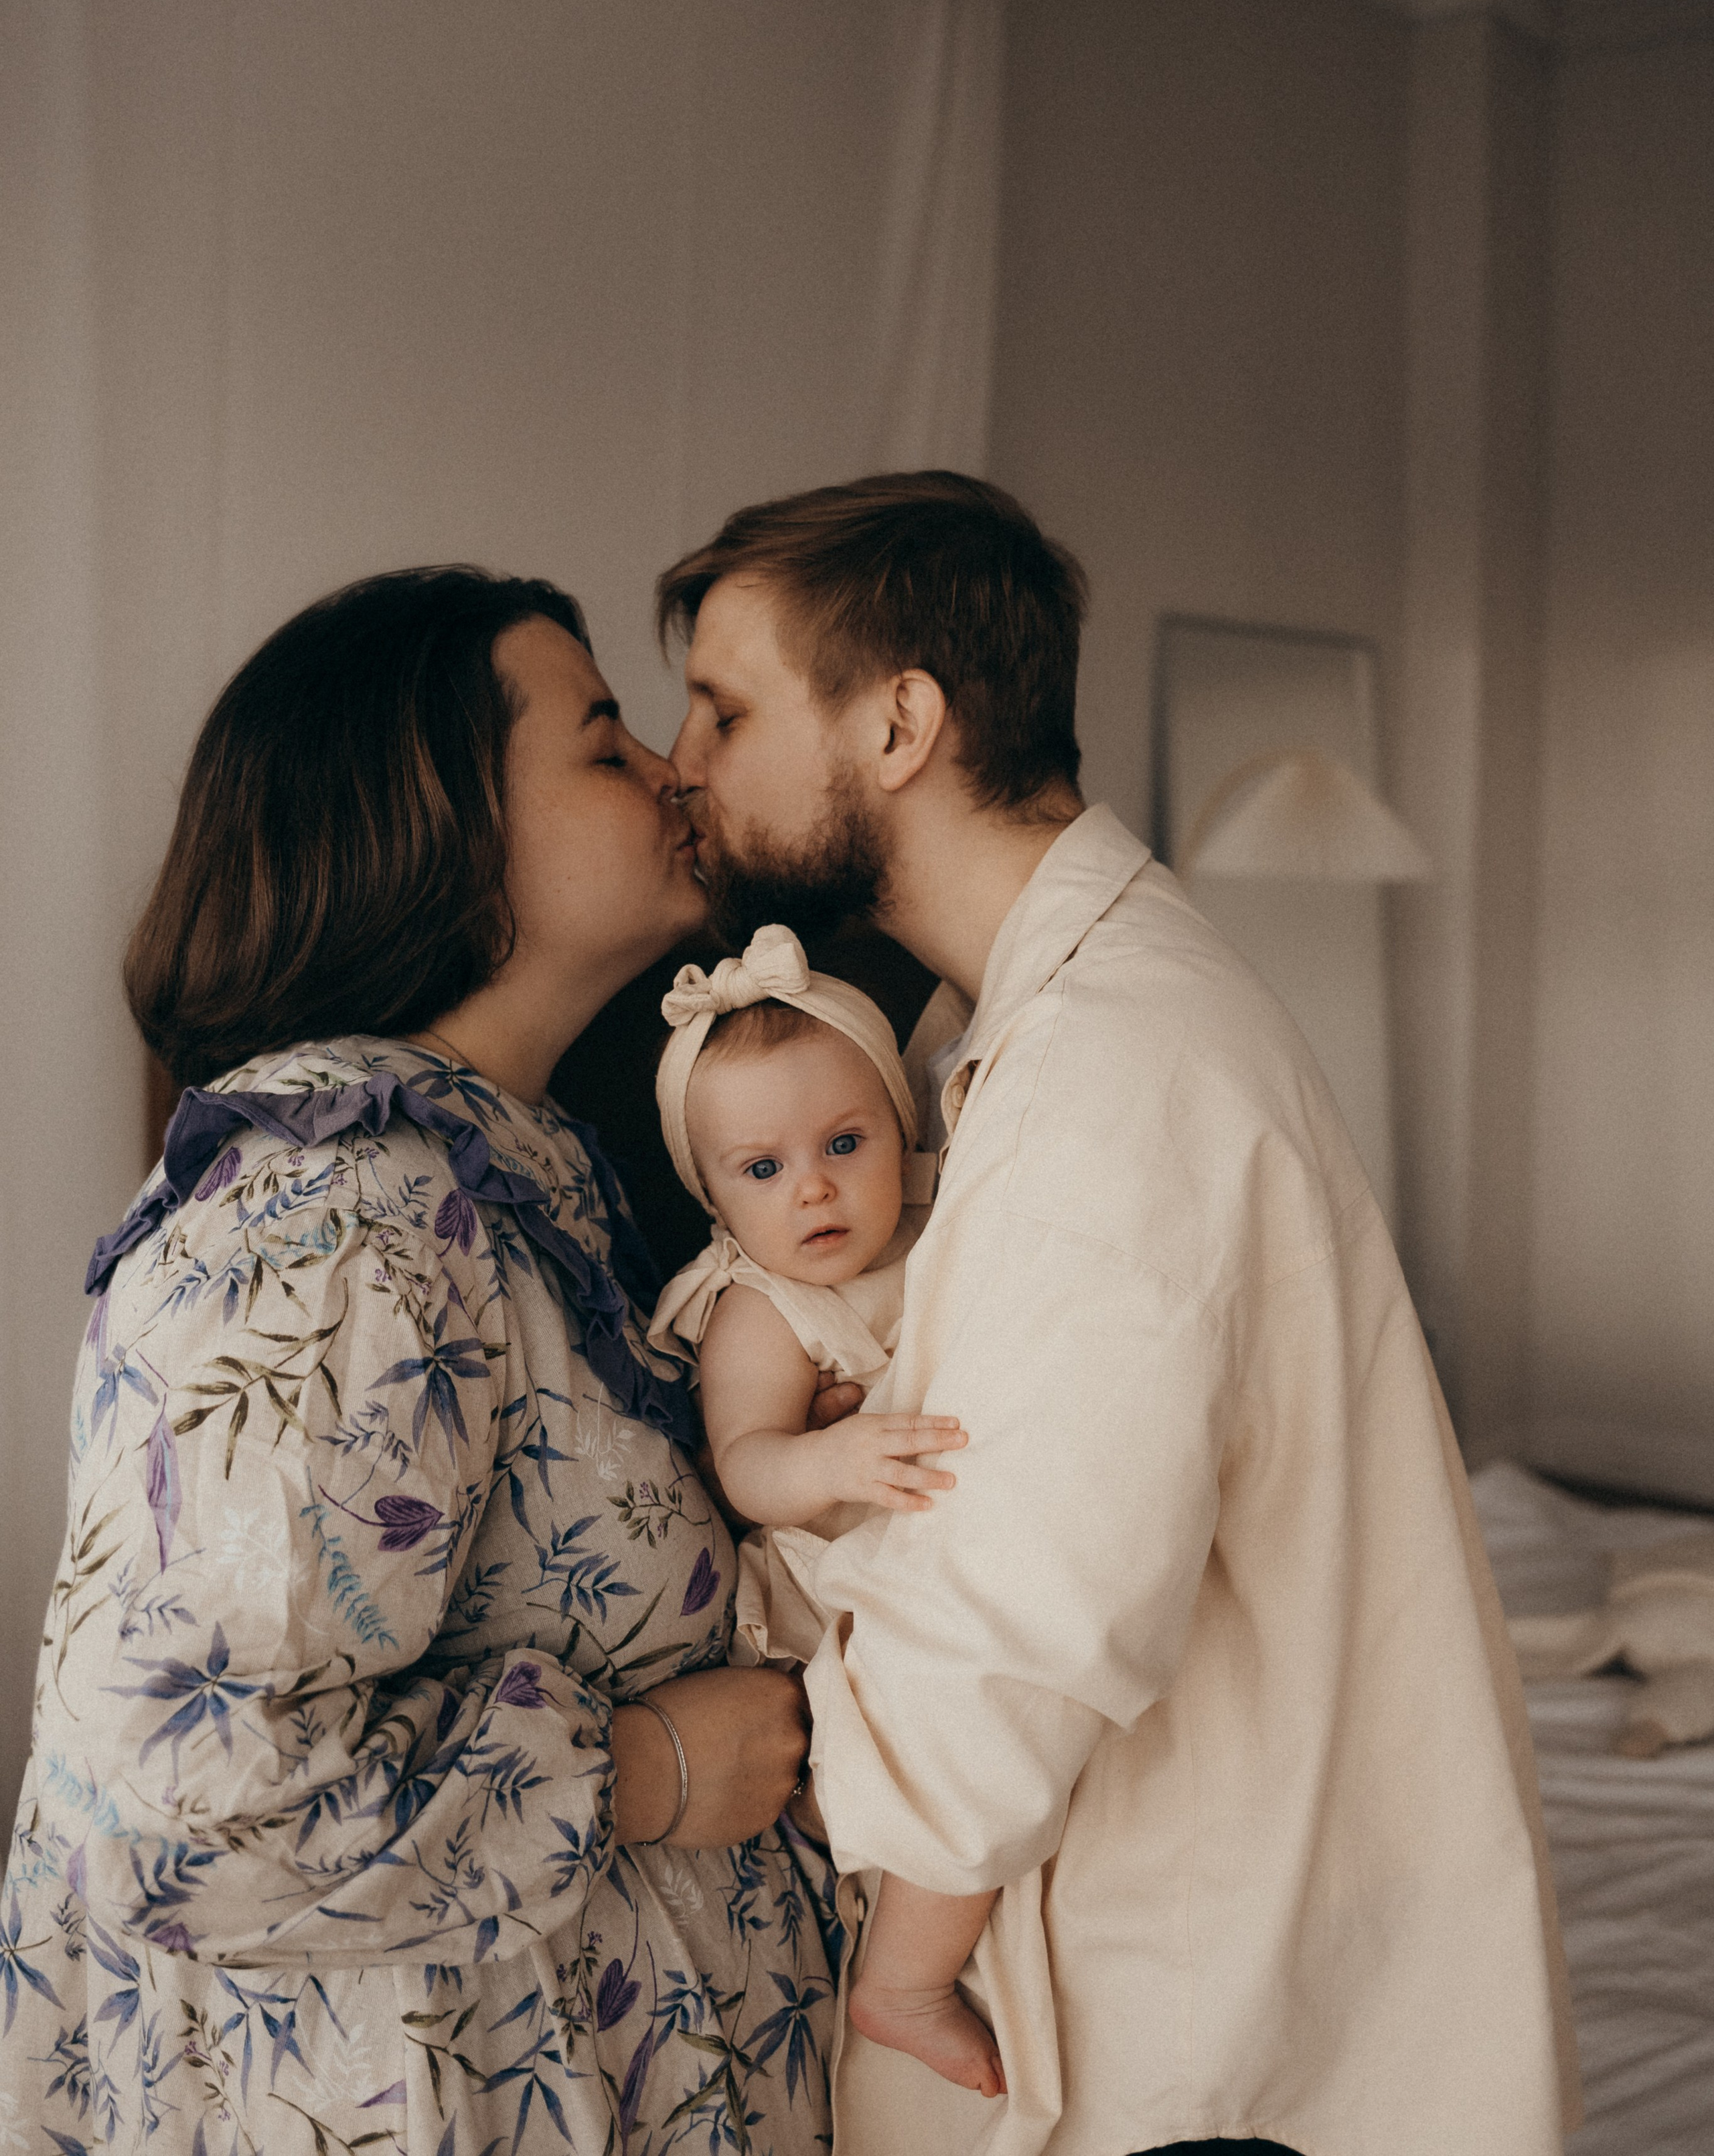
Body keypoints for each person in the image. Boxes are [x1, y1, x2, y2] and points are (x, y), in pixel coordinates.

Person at [657, 473, 1582, 2156]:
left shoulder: (1112, 1069)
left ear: (898, 725)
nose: (682, 761)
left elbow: (1024, 1613)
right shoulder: (1009, 1029)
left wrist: (848, 1870)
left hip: (1193, 2034)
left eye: (724, 710)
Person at [0, 566, 836, 2156]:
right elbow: (184, 1791)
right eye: (603, 739)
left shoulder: (492, 1176)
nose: (673, 769)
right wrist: (646, 1770)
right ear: (435, 826)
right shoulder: (340, 1217)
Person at [645, 926, 1005, 2100]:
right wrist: (833, 1455)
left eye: (846, 1143)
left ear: (902, 1131)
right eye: (761, 1170)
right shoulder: (761, 1308)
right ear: (711, 1196)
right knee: (955, 1745)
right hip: (838, 1586)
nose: (812, 1187)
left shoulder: (939, 1221)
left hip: (939, 1541)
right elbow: (748, 1466)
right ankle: (902, 1981)